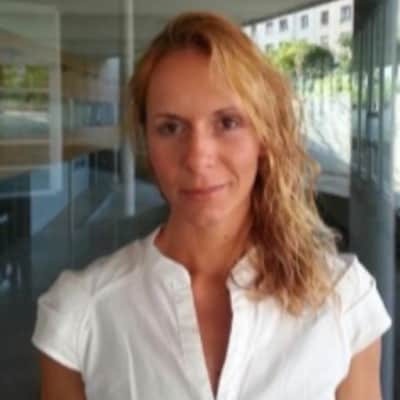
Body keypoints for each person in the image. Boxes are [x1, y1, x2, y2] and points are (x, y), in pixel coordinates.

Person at [32, 11, 392, 400]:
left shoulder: (343, 301)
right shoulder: (80, 315)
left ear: (264, 136)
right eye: (170, 127)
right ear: (146, 143)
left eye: (227, 122)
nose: (198, 157)